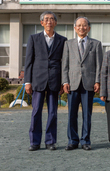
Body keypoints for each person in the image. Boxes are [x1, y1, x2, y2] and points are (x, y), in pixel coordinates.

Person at [25, 11, 67, 151]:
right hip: (38, 80)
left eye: (51, 19)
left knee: (53, 112)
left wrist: (63, 81)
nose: (49, 21)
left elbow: (63, 62)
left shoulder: (62, 40)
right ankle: (34, 142)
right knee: (36, 111)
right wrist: (27, 82)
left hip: (55, 80)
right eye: (46, 19)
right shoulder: (34, 38)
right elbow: (29, 61)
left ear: (55, 23)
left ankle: (50, 141)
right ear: (41, 23)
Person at [62, 17, 103, 151]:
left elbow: (99, 65)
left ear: (89, 28)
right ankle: (72, 140)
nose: (81, 28)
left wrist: (97, 81)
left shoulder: (96, 44)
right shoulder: (68, 44)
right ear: (75, 28)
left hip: (89, 84)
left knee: (87, 114)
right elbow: (65, 65)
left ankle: (86, 140)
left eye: (84, 25)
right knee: (72, 114)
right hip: (72, 83)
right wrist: (65, 81)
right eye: (78, 25)